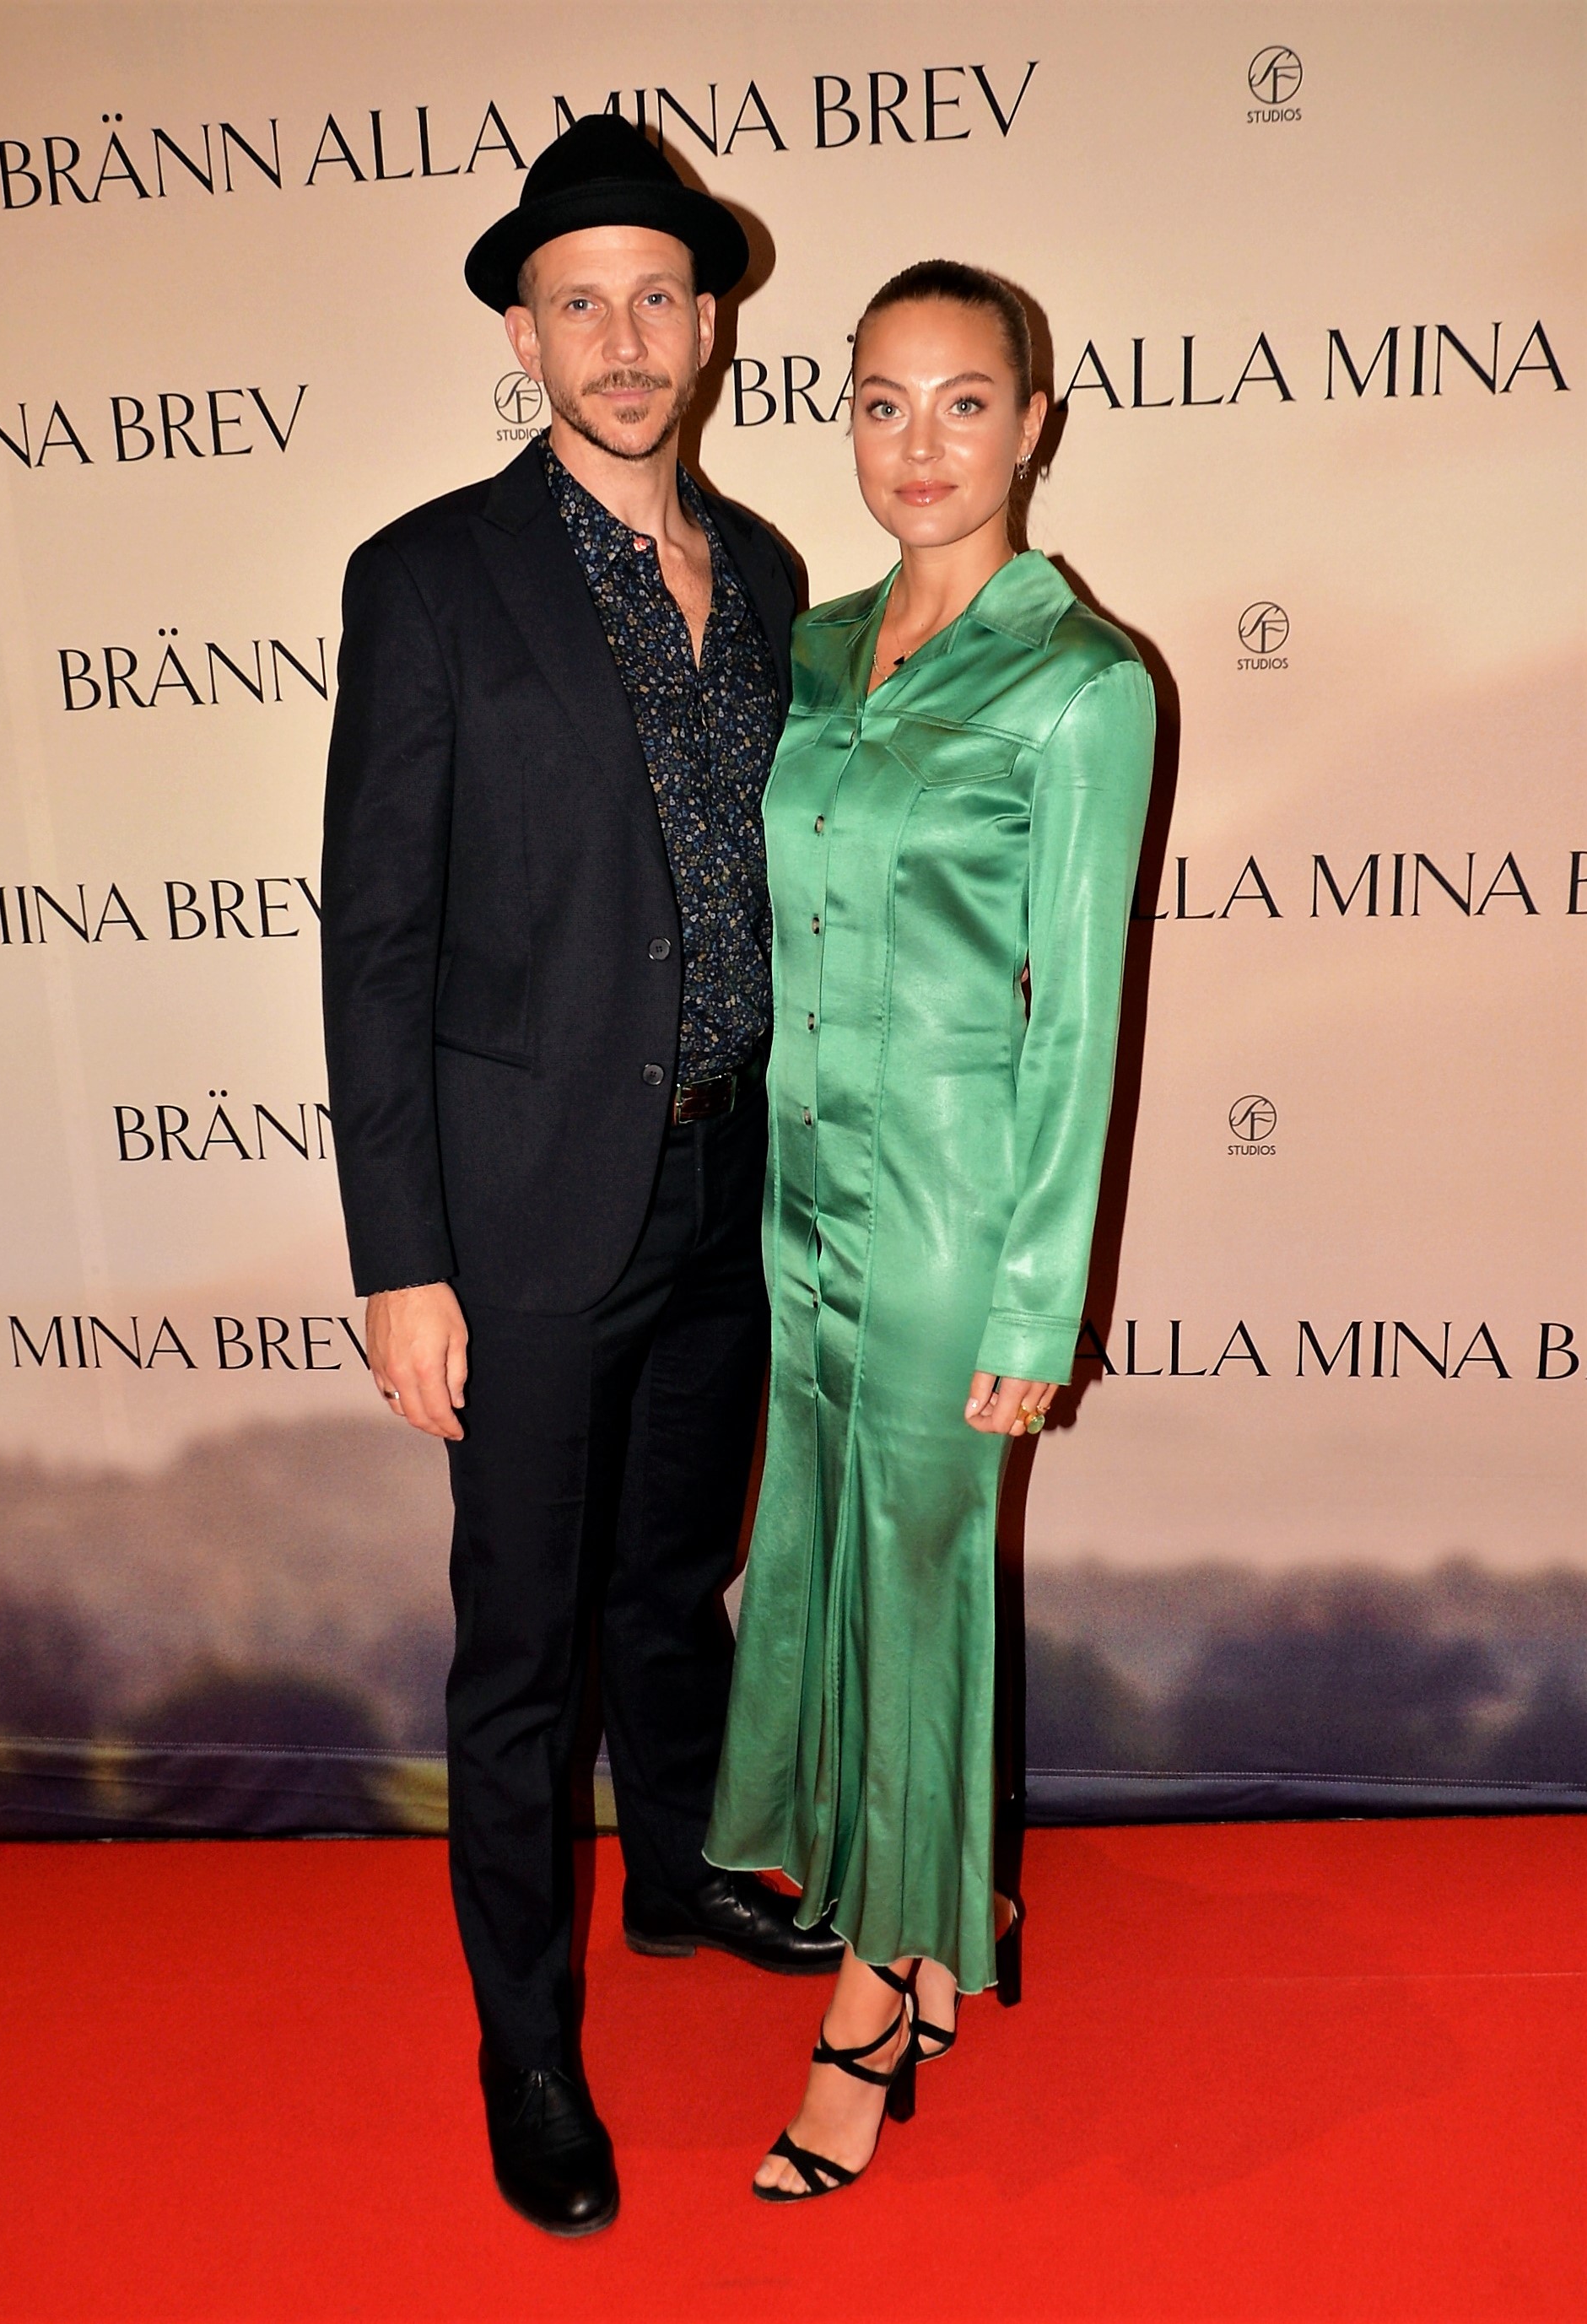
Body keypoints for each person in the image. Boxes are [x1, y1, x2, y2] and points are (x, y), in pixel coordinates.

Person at [319, 116, 842, 2242]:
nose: (622, 340)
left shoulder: (775, 574)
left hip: (729, 1185)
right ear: (522, 337)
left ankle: (682, 1872)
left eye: (656, 297)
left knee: (671, 1580)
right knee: (523, 1652)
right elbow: (377, 940)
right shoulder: (429, 577)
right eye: (577, 303)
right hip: (526, 1212)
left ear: (710, 325)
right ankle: (524, 2045)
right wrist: (402, 1256)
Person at [705, 260, 1155, 2200]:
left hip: (960, 1219)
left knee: (918, 1596)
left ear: (1033, 424)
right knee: (822, 1572)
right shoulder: (812, 651)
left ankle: (874, 2001)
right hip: (801, 1201)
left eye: (964, 402)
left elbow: (1081, 1023)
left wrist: (1039, 1300)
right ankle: (913, 1909)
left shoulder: (1085, 685)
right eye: (881, 402)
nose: (918, 444)